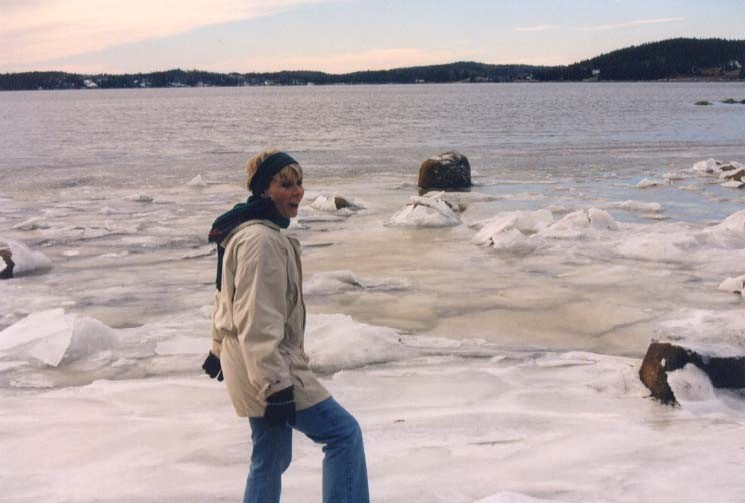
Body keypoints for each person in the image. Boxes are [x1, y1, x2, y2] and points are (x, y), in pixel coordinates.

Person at [202, 149, 370, 503]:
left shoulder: (247, 230)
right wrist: (275, 384)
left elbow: (225, 299)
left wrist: (218, 348)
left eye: (299, 183)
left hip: (247, 362)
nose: (298, 192)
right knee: (343, 434)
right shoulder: (261, 241)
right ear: (264, 189)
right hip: (268, 366)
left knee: (271, 456)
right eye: (286, 184)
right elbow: (256, 319)